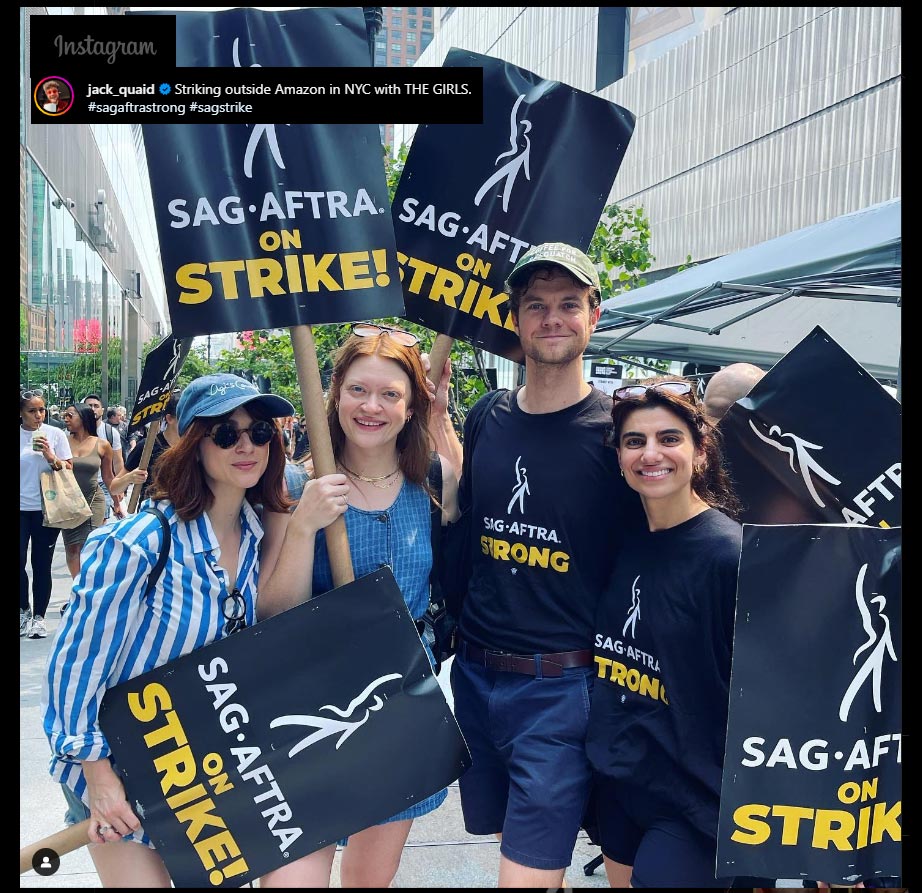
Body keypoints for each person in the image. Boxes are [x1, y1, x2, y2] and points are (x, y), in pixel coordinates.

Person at [427, 242, 646, 888]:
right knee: (514, 849)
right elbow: (470, 516)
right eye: (537, 306)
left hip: (563, 688)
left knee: (522, 875)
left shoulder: (620, 432)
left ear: (594, 316)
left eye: (569, 305)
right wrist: (438, 434)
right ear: (516, 321)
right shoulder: (488, 417)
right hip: (476, 679)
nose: (553, 318)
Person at [42, 373, 294, 888]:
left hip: (192, 769)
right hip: (113, 766)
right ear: (193, 445)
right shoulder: (139, 542)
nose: (246, 445)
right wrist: (99, 777)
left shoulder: (252, 534)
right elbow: (74, 665)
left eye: (260, 432)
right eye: (226, 433)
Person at [257, 323, 460, 889]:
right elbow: (271, 616)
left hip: (400, 711)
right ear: (335, 392)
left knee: (370, 879)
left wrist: (442, 418)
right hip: (308, 716)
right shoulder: (297, 482)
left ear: (411, 404)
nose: (372, 407)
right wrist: (303, 529)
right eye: (358, 390)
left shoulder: (436, 482)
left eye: (391, 394)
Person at [585, 376, 757, 888]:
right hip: (620, 785)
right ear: (619, 457)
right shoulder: (625, 541)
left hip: (696, 800)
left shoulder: (730, 554)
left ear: (700, 453)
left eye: (669, 438)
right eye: (635, 441)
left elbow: (775, 690)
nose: (650, 453)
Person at [20, 388, 73, 639]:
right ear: (21, 413)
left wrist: (50, 455)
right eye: (32, 411)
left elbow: (67, 468)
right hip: (20, 509)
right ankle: (23, 611)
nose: (38, 415)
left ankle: (39, 617)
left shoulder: (56, 434)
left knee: (42, 564)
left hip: (47, 509)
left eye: (41, 410)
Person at [60, 402, 117, 579]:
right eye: (65, 415)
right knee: (71, 547)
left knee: (89, 544)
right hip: (68, 502)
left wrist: (116, 502)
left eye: (71, 415)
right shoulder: (61, 441)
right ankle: (77, 586)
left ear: (83, 418)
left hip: (94, 499)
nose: (66, 419)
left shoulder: (102, 444)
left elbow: (108, 477)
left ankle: (88, 586)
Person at [109, 392, 182, 506]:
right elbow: (114, 488)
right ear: (169, 418)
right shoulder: (147, 446)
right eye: (185, 416)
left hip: (186, 516)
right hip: (153, 518)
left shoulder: (197, 447)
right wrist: (129, 478)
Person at [82, 394, 125, 519]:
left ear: (102, 410)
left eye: (96, 406)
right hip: (78, 484)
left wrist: (120, 486)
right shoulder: (71, 432)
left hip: (102, 484)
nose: (93, 409)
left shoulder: (111, 433)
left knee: (101, 520)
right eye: (89, 406)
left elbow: (118, 461)